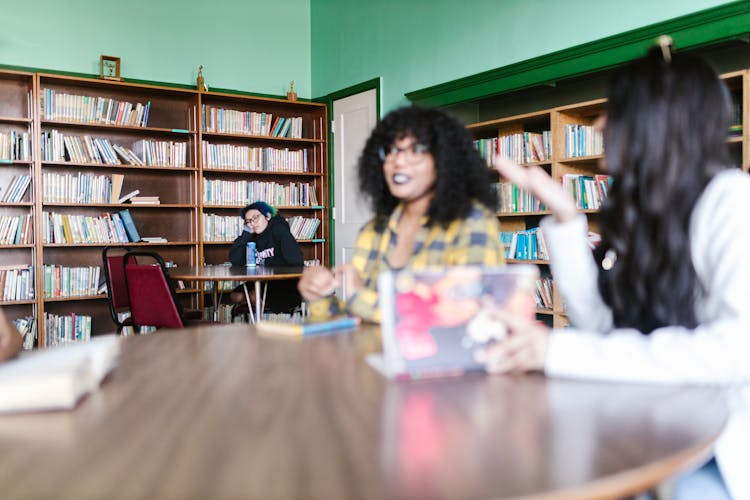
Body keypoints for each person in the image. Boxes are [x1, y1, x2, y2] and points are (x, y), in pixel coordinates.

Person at [484, 38, 750, 499]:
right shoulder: (646, 213)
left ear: (655, 121)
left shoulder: (731, 199)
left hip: (719, 448)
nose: (601, 124)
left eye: (615, 109)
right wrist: (566, 216)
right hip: (651, 429)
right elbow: (604, 327)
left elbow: (732, 351)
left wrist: (555, 352)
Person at [298, 106, 506, 323]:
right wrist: (318, 296)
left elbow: (465, 314)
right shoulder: (373, 231)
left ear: (445, 160)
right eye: (391, 150)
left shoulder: (472, 222)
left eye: (416, 150)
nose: (398, 161)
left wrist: (358, 294)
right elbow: (357, 319)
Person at [229, 201, 303, 313]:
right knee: (235, 296)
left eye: (255, 218)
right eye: (248, 221)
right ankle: (251, 298)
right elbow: (235, 260)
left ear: (267, 216)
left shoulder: (279, 230)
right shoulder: (251, 236)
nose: (252, 223)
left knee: (253, 297)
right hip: (260, 282)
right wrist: (246, 233)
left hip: (283, 285)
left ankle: (254, 303)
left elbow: (297, 261)